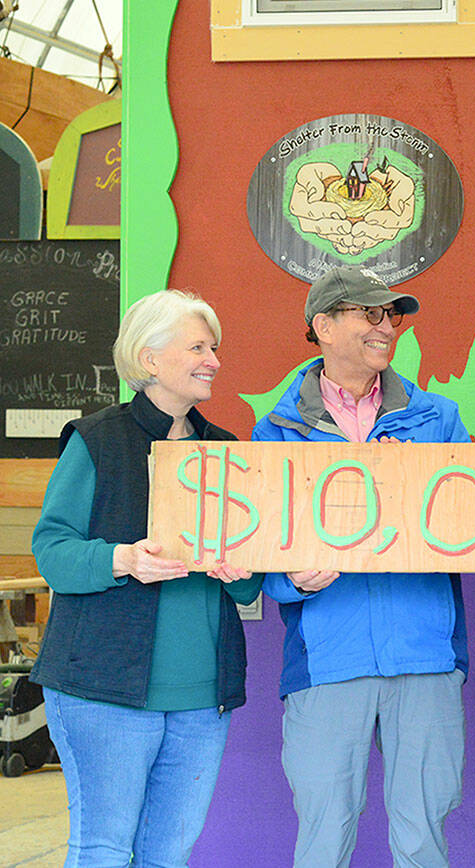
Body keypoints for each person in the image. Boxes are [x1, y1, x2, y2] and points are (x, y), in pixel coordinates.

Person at [30, 289, 260, 867]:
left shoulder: (225, 451)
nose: (213, 359)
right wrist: (123, 559)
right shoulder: (97, 440)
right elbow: (52, 551)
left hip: (202, 698)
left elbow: (248, 587)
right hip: (100, 689)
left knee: (168, 856)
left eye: (214, 347)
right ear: (149, 358)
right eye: (198, 346)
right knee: (105, 851)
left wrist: (239, 573)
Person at [252, 265, 470, 868]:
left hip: (426, 654)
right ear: (322, 326)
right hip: (327, 659)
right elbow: (253, 549)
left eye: (391, 315)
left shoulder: (439, 420)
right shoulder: (273, 432)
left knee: (424, 837)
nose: (387, 327)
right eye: (369, 314)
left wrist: (420, 482)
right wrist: (288, 578)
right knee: (324, 838)